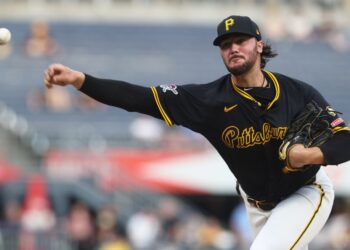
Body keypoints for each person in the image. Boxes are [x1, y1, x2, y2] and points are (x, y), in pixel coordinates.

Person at [43, 15, 350, 249]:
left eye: (240, 41)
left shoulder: (297, 93)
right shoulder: (208, 101)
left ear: (259, 44)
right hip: (255, 203)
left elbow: (345, 139)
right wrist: (80, 79)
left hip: (306, 191)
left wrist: (308, 155)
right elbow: (139, 98)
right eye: (225, 45)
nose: (232, 48)